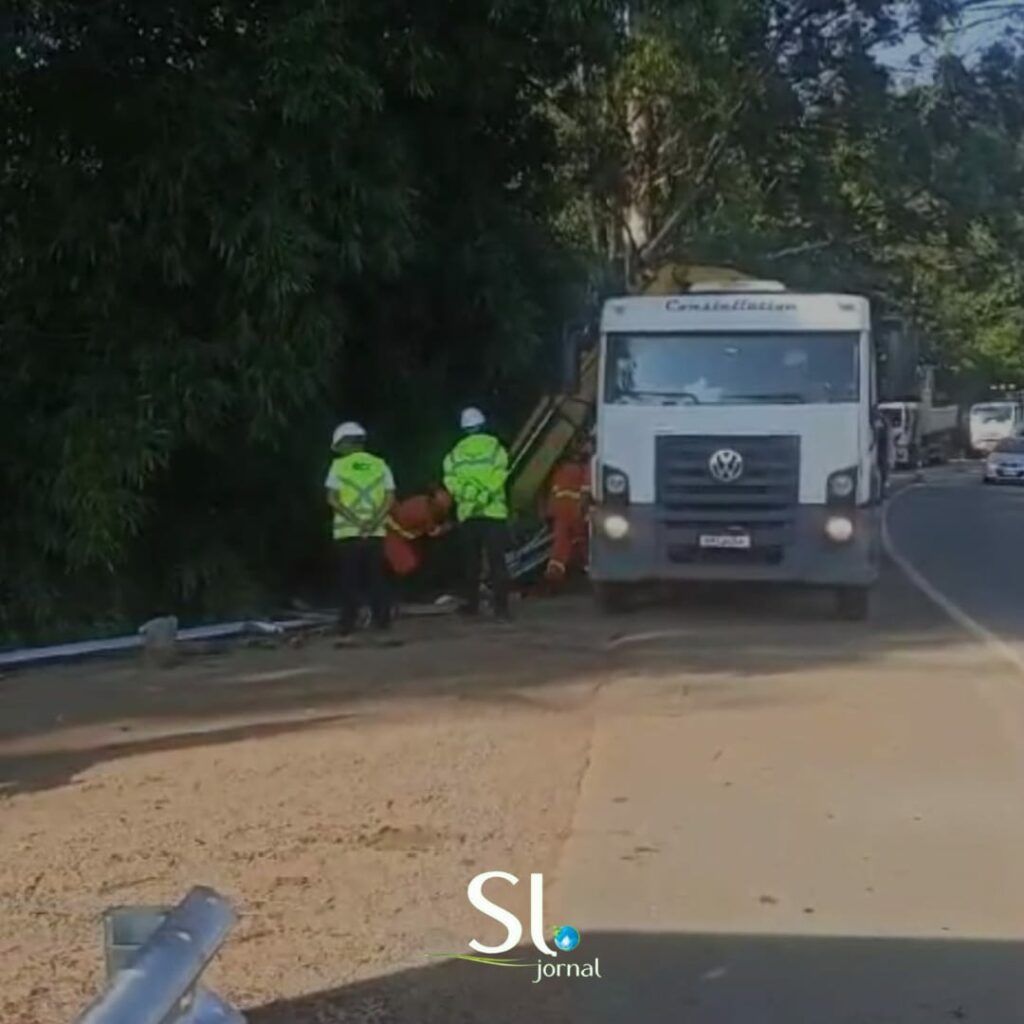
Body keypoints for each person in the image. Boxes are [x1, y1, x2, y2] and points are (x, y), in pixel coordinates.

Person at [324, 421, 396, 644]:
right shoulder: (380, 464)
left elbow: (332, 499)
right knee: (377, 577)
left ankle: (348, 623)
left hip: (348, 532)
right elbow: (390, 497)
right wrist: (373, 521)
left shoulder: (338, 466)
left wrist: (355, 520)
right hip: (375, 532)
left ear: (344, 443)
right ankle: (382, 621)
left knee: (350, 579)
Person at [443, 407, 510, 619]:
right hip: (493, 513)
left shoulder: (455, 453)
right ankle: (501, 610)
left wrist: (470, 497)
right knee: (497, 562)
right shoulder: (495, 448)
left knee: (471, 564)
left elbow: (450, 481)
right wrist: (483, 496)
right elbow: (501, 474)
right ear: (483, 424)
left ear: (463, 428)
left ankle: (472, 606)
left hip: (468, 515)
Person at [544, 437, 592, 583]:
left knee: (561, 543)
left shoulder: (560, 470)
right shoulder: (585, 470)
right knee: (580, 541)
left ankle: (554, 572)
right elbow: (586, 492)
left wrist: (550, 513)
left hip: (560, 512)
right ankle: (586, 568)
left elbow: (553, 492)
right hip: (575, 511)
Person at [384, 486, 454, 577]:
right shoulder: (419, 508)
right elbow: (432, 531)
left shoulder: (426, 505)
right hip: (402, 541)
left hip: (413, 540)